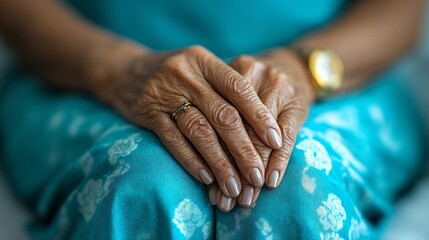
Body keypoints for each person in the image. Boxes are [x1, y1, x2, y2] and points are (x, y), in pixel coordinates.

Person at [0, 0, 426, 239]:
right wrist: (119, 70)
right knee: (143, 183)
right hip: (85, 65)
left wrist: (304, 69)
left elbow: (398, 9)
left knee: (298, 184)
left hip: (335, 67)